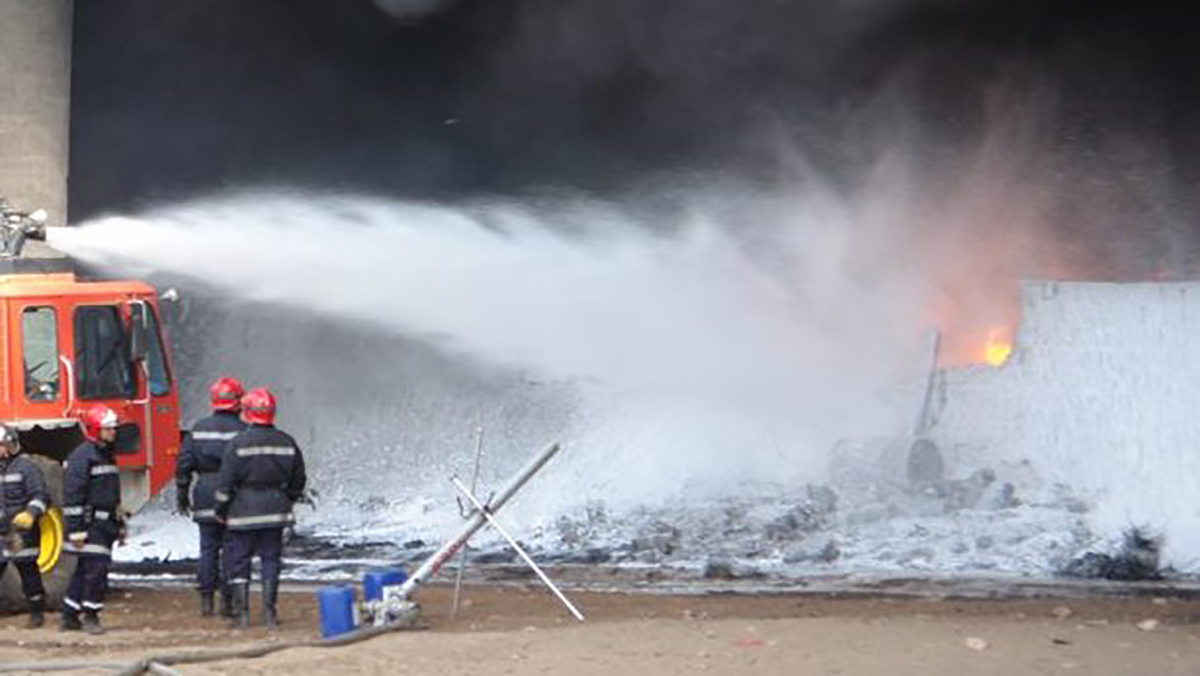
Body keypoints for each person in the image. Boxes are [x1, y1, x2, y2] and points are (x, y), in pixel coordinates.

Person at [215, 388, 306, 629]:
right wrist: (287, 498)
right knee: (271, 560)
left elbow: (225, 482)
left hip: (243, 510)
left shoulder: (238, 443)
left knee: (240, 561)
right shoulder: (287, 442)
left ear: (247, 412)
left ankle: (243, 615)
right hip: (276, 511)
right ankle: (269, 614)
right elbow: (299, 480)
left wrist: (220, 509)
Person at [176, 376, 246, 618]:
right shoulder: (243, 431)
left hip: (204, 492)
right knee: (231, 550)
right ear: (238, 402)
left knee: (207, 549)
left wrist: (182, 495)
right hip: (233, 497)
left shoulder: (198, 428)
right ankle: (227, 603)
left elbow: (184, 464)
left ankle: (206, 602)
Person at [61, 404, 124, 635]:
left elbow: (111, 493)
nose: (113, 433)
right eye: (108, 429)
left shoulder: (106, 455)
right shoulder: (83, 457)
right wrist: (77, 530)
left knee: (84, 569)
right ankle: (91, 615)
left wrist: (119, 523)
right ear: (95, 430)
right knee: (97, 570)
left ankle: (69, 614)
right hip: (90, 524)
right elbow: (73, 495)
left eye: (113, 429)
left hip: (105, 523)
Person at [0, 424, 50, 628]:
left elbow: (41, 495)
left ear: (10, 444)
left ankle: (37, 612)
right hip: (1, 532)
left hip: (22, 532)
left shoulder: (26, 467)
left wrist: (31, 513)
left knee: (28, 572)